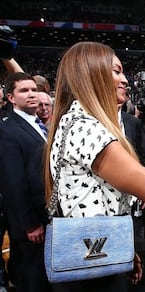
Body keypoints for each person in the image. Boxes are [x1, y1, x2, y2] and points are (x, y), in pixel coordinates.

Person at [43, 42, 145, 292]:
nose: (125, 80)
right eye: (116, 71)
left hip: (99, 251)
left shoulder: (76, 121)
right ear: (92, 74)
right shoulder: (87, 128)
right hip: (90, 267)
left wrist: (122, 249)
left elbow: (104, 196)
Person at [0, 72, 51, 292]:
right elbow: (13, 182)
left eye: (33, 90)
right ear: (11, 98)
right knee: (32, 279)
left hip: (45, 216)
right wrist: (30, 223)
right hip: (30, 224)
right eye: (24, 90)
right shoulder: (7, 129)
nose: (31, 94)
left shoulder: (37, 124)